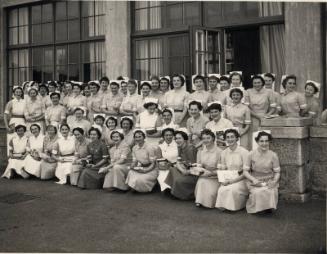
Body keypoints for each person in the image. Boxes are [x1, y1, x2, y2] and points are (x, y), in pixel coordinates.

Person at [243, 131, 281, 214]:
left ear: (269, 142)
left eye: (266, 141)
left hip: (269, 180)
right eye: (261, 141)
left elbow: (277, 172)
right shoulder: (251, 154)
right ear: (257, 142)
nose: (264, 143)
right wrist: (253, 180)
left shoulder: (273, 155)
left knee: (270, 191)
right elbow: (245, 171)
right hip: (256, 180)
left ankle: (268, 206)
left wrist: (274, 181)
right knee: (258, 192)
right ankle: (257, 207)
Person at [215, 129, 249, 211]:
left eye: (232, 137)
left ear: (237, 138)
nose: (230, 139)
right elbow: (222, 170)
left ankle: (237, 206)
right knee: (222, 189)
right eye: (228, 137)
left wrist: (231, 181)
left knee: (232, 189)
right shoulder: (224, 153)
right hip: (228, 178)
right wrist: (223, 180)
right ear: (225, 139)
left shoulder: (244, 152)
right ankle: (225, 206)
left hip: (242, 179)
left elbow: (246, 173)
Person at [164, 129, 198, 200]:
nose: (177, 140)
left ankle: (185, 195)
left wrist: (182, 168)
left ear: (185, 139)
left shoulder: (190, 148)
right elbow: (179, 160)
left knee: (178, 179)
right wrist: (180, 167)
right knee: (172, 169)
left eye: (179, 138)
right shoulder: (179, 147)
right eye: (176, 138)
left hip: (193, 172)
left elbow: (194, 165)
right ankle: (175, 191)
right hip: (184, 168)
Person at [194, 129, 222, 208]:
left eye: (208, 138)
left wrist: (211, 173)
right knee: (202, 181)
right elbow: (198, 165)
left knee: (210, 192)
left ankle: (207, 202)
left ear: (213, 138)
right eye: (204, 138)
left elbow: (221, 169)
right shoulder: (200, 151)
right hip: (203, 175)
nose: (206, 140)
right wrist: (198, 169)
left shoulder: (220, 152)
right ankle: (200, 200)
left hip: (215, 177)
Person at [4, 86, 26, 154]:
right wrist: (7, 126)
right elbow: (5, 115)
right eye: (17, 92)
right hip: (13, 121)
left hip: (22, 121)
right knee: (12, 138)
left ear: (22, 93)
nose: (18, 93)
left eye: (20, 92)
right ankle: (10, 157)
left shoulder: (24, 102)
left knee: (22, 139)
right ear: (14, 93)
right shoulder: (11, 102)